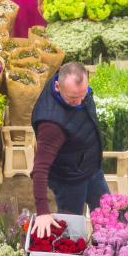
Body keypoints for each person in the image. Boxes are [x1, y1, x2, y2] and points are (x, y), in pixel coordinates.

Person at [30, 61, 109, 238]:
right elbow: (40, 169)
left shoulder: (73, 87)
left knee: (108, 218)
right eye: (73, 99)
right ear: (57, 87)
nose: (80, 102)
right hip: (69, 181)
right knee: (73, 234)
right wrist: (42, 211)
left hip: (91, 168)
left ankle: (106, 255)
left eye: (84, 95)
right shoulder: (52, 124)